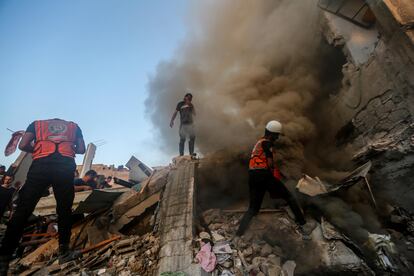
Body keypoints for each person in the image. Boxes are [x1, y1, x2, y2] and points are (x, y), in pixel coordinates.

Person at [0, 118, 85, 275]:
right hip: (64, 168)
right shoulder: (74, 127)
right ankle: (64, 253)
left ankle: (3, 260)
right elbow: (81, 149)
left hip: (40, 167)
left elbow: (23, 145)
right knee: (64, 210)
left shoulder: (37, 124)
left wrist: (40, 148)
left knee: (23, 211)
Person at [236, 120, 311, 239]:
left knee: (253, 209)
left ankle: (239, 234)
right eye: (276, 136)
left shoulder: (258, 143)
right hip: (264, 175)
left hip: (253, 176)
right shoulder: (267, 143)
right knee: (290, 197)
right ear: (271, 134)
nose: (276, 138)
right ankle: (303, 225)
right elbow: (270, 162)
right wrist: (274, 173)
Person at [170, 92, 196, 156]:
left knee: (192, 138)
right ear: (185, 97)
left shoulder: (191, 105)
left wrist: (190, 105)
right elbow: (175, 112)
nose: (189, 98)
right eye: (188, 97)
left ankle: (191, 154)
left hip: (190, 124)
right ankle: (181, 155)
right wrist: (172, 120)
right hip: (183, 125)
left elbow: (194, 114)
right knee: (182, 139)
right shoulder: (180, 104)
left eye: (190, 98)